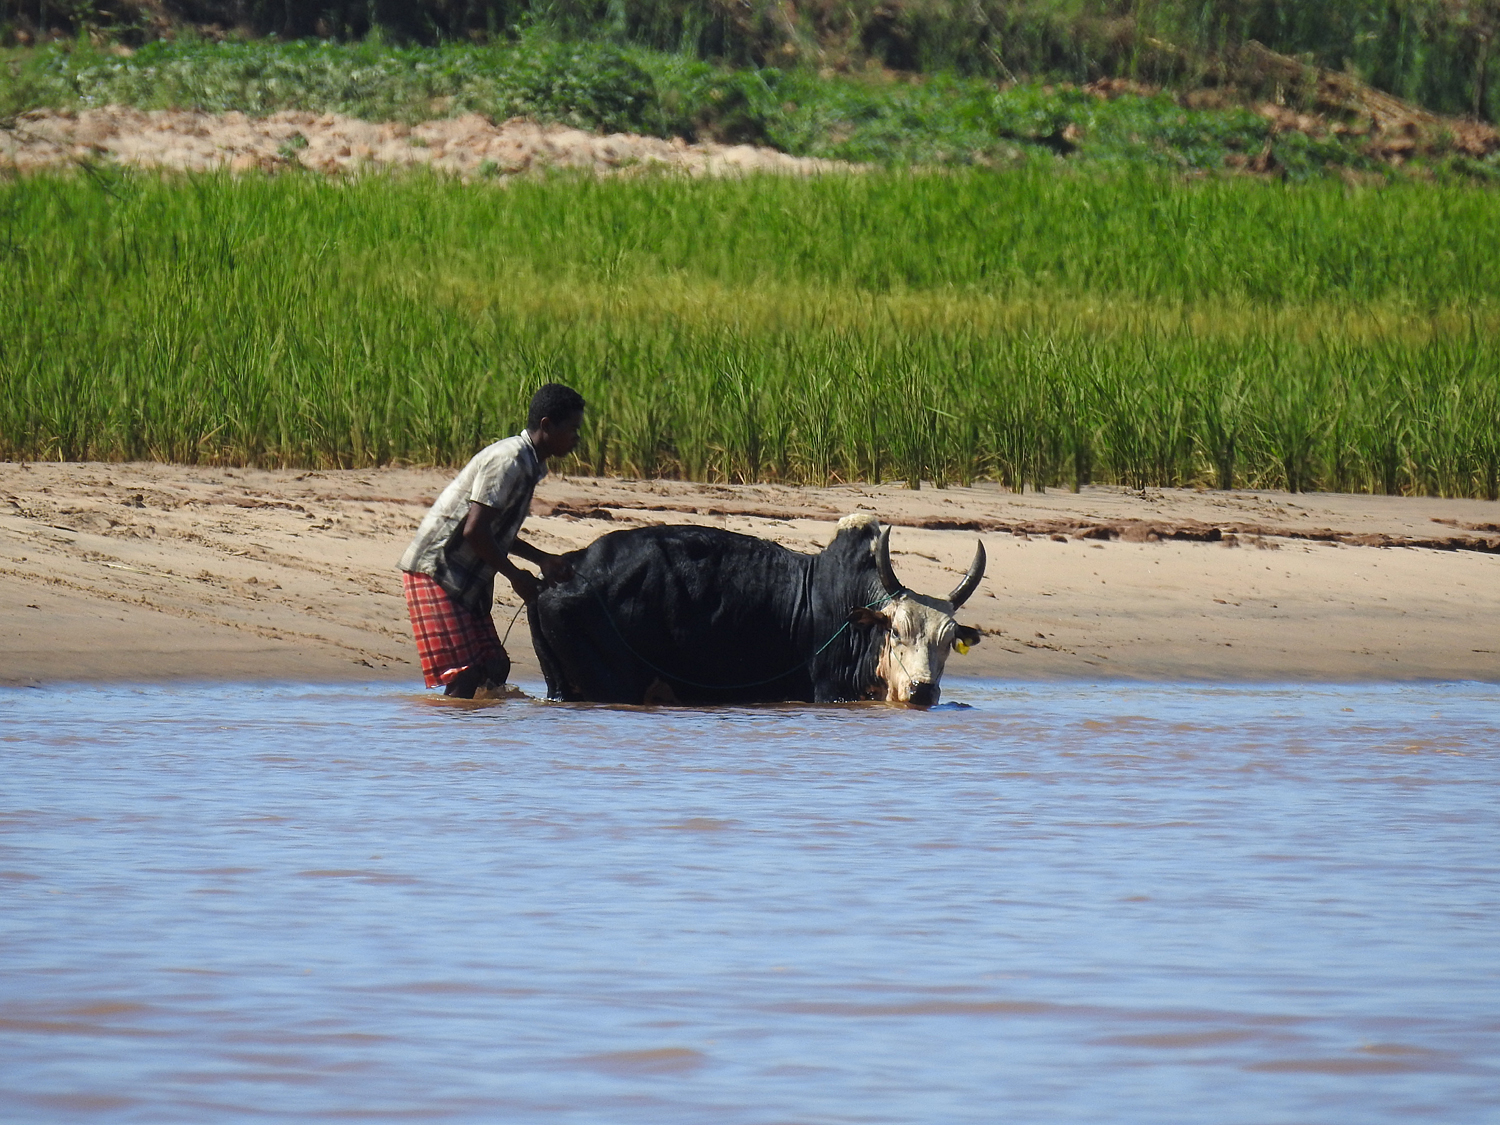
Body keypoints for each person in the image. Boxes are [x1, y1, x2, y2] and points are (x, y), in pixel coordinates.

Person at [399, 383, 584, 698]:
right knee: (466, 672)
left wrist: (542, 559)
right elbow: (475, 531)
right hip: (438, 569)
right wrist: (516, 577)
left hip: (468, 573)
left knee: (494, 665)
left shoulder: (532, 464)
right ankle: (446, 740)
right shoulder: (508, 461)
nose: (576, 438)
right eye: (572, 429)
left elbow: (497, 530)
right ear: (547, 425)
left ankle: (474, 736)